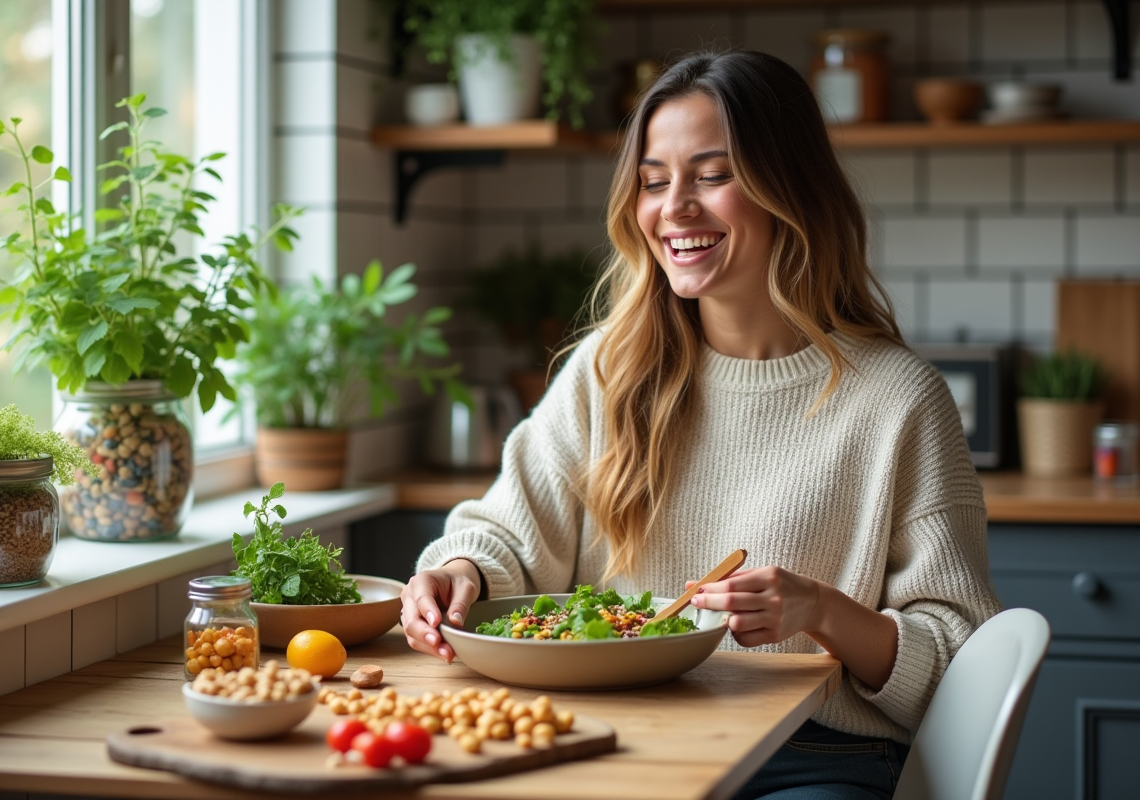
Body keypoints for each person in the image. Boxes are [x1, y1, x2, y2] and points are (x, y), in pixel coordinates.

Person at [400, 50, 1000, 799]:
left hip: (814, 757)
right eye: (653, 181)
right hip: (616, 741)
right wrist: (457, 575)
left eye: (712, 175)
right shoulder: (607, 371)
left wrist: (821, 611)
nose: (674, 207)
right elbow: (511, 539)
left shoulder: (900, 401)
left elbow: (955, 659)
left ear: (791, 188)